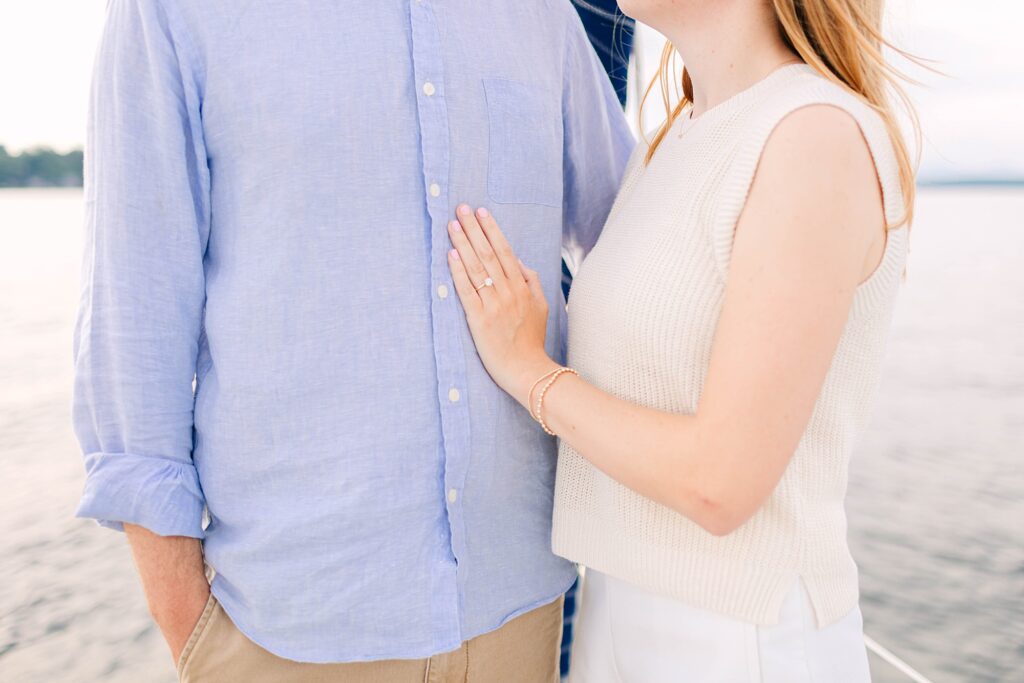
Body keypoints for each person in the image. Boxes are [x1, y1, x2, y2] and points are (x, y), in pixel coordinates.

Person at [71, 0, 632, 681]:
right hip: (288, 638)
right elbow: (133, 334)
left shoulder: (540, 14)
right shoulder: (171, 12)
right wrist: (193, 632)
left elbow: (636, 235)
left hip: (519, 615)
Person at [441, 0, 918, 680]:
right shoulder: (678, 137)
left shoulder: (814, 135)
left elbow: (718, 482)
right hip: (620, 614)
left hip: (741, 639)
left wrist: (530, 371)